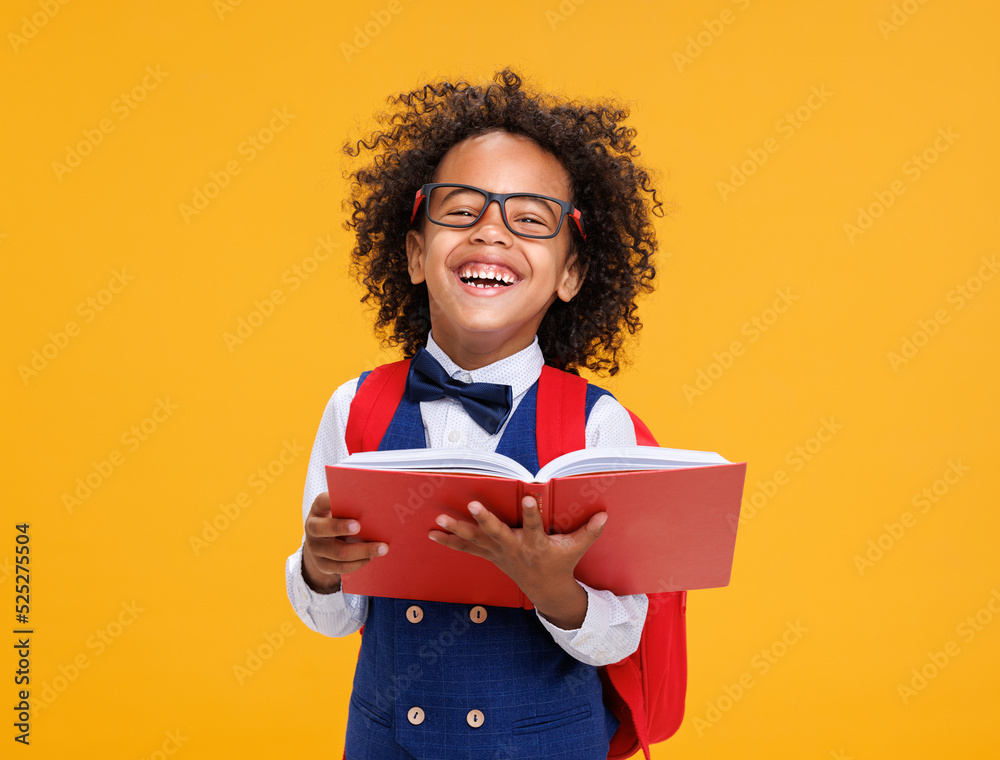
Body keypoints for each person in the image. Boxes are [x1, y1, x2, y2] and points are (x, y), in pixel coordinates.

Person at [285, 68, 662, 759]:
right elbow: (335, 620)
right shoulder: (355, 408)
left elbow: (624, 633)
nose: (491, 233)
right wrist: (319, 567)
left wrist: (554, 589)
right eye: (461, 211)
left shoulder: (597, 426)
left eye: (530, 219)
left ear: (572, 274)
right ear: (414, 253)